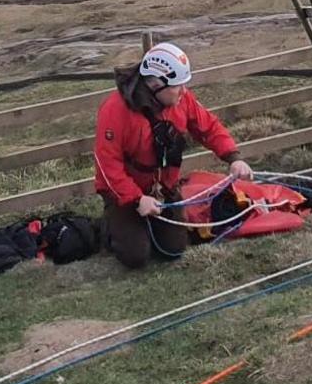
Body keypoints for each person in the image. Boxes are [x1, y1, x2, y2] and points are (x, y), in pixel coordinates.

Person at [93, 41, 254, 269]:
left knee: (173, 249)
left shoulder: (180, 100)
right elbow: (108, 164)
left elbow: (207, 127)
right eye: (178, 85)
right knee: (136, 257)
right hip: (124, 193)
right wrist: (136, 199)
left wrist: (233, 157)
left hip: (163, 188)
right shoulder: (115, 110)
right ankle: (112, 225)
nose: (184, 91)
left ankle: (148, 221)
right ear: (157, 85)